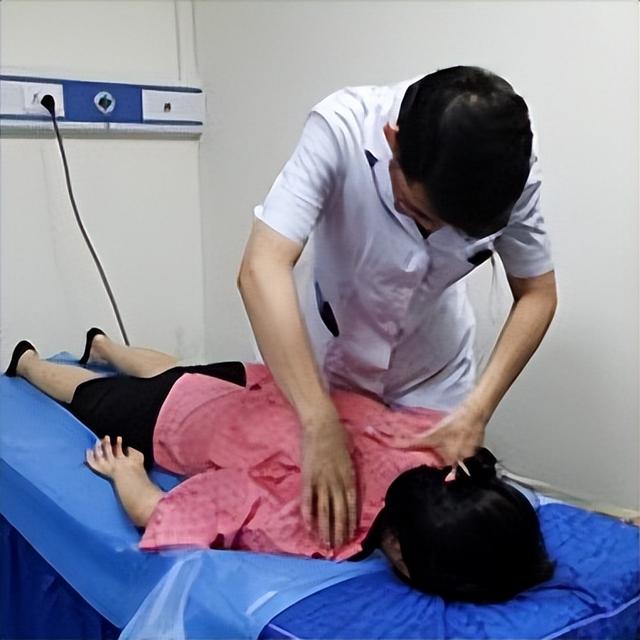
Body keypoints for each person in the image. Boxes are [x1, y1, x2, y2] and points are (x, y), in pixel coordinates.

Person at [238, 66, 558, 548]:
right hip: (321, 364)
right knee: (305, 512)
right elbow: (261, 267)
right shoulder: (341, 127)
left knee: (432, 530)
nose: (434, 234)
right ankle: (120, 355)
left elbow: (537, 293)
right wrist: (317, 417)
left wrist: (477, 409)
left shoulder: (507, 172)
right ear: (393, 142)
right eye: (422, 214)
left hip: (431, 374)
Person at [5, 334, 554, 603]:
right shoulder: (320, 525)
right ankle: (27, 363)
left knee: (182, 369)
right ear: (407, 562)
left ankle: (105, 344)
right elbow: (171, 510)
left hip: (270, 385)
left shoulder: (440, 449)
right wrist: (130, 477)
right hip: (194, 418)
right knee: (94, 396)